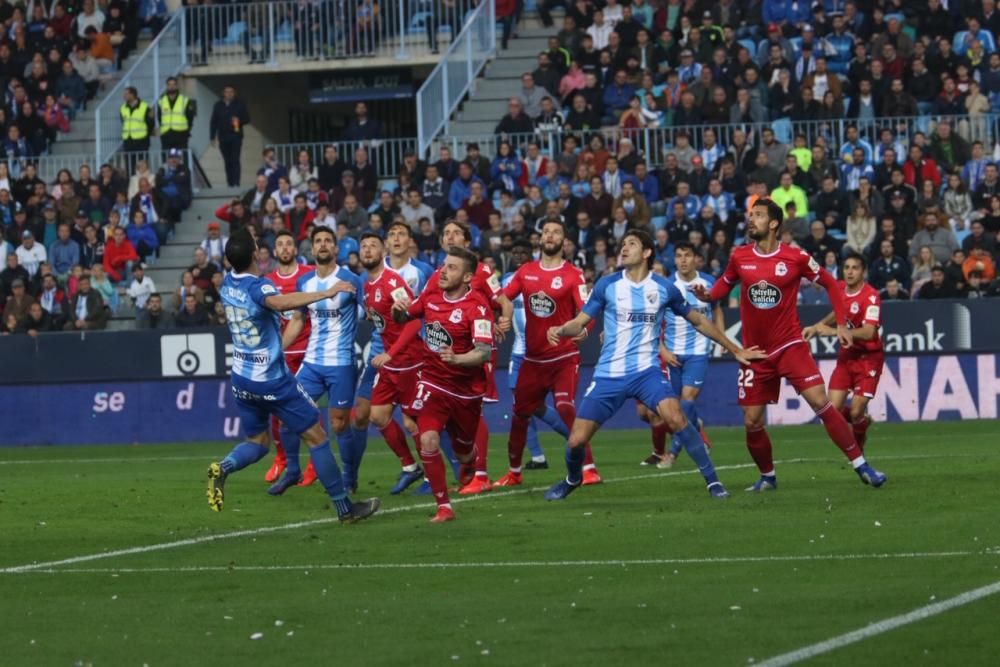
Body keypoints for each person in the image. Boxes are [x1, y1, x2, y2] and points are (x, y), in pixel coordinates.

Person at [692, 198, 888, 491]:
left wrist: (844, 324)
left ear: (773, 223)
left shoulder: (795, 257)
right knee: (752, 421)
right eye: (750, 215)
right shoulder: (739, 256)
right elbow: (723, 285)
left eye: (758, 215)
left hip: (790, 345)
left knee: (822, 403)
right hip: (755, 352)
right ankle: (768, 477)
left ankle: (862, 466)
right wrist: (708, 296)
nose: (751, 220)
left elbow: (832, 284)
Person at [543, 230, 751, 502]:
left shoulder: (664, 288)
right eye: (622, 244)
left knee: (676, 417)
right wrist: (562, 328)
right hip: (609, 374)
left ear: (647, 252)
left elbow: (699, 320)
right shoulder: (607, 285)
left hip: (647, 372)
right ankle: (573, 478)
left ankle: (713, 482)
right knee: (576, 441)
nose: (624, 248)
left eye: (631, 244)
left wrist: (734, 348)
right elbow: (579, 322)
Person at [206, 229, 379, 523]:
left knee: (259, 442)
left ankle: (223, 468)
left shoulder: (227, 284)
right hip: (271, 379)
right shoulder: (257, 287)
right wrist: (326, 292)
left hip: (241, 378)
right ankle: (345, 508)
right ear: (253, 256)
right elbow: (279, 302)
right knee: (318, 437)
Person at [390, 247, 495, 522]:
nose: (443, 272)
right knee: (428, 438)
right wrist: (397, 310)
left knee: (462, 454)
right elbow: (406, 316)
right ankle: (444, 507)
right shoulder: (431, 293)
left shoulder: (478, 306)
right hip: (433, 381)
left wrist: (459, 358)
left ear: (468, 276)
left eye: (451, 268)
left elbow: (484, 351)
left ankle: (469, 457)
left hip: (466, 390)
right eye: (443, 265)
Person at [495, 221, 600, 488]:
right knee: (519, 415)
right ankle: (514, 472)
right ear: (540, 239)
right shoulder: (525, 272)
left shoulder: (573, 274)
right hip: (532, 360)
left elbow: (587, 312)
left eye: (556, 232)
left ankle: (589, 468)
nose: (550, 236)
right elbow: (502, 297)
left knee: (565, 406)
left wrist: (584, 329)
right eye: (546, 232)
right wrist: (503, 316)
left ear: (564, 241)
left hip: (564, 357)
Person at [280, 226, 366, 492]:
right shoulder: (304, 283)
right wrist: (278, 350)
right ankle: (292, 470)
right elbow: (297, 320)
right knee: (286, 415)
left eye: (328, 240)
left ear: (336, 248)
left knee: (339, 424)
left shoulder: (352, 279)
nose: (323, 245)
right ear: (312, 248)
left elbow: (371, 313)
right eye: (318, 241)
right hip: (312, 363)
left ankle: (350, 476)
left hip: (341, 364)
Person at [354, 232, 426, 495]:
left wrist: (391, 353)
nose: (368, 250)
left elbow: (415, 321)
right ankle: (410, 467)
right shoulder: (368, 285)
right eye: (364, 247)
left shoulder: (392, 282)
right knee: (377, 415)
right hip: (392, 365)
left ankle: (431, 476)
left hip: (410, 362)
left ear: (383, 250)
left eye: (373, 245)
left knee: (412, 423)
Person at [646, 241, 724, 468]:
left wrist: (720, 338)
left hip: (699, 352)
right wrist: (663, 351)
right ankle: (696, 427)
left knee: (687, 402)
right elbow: (653, 321)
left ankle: (672, 453)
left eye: (687, 255)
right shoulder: (666, 285)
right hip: (673, 354)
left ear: (696, 258)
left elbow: (717, 309)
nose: (682, 260)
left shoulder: (708, 282)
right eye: (678, 255)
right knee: (676, 409)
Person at [803, 253, 883, 450]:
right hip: (847, 357)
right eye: (846, 267)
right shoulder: (839, 289)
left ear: (863, 272)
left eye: (855, 268)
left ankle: (858, 449)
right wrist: (816, 326)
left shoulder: (871, 296)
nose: (849, 271)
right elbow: (838, 312)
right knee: (832, 411)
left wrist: (834, 331)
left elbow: (869, 332)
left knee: (855, 412)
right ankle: (863, 421)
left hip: (869, 358)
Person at [260, 230, 318, 488]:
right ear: (274, 252)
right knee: (275, 409)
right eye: (280, 244)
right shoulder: (267, 281)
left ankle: (314, 463)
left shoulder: (309, 275)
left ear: (295, 249)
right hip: (280, 354)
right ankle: (282, 459)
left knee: (308, 408)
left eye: (288, 244)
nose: (284, 248)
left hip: (306, 351)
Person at [210, 85, 251, 188]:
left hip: (235, 136)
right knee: (227, 161)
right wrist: (212, 136)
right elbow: (213, 121)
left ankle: (236, 183)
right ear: (223, 93)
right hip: (223, 137)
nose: (229, 94)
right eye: (227, 92)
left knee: (235, 159)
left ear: (234, 93)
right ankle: (230, 183)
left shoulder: (240, 104)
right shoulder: (218, 105)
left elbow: (247, 119)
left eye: (231, 92)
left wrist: (239, 121)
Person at [157, 76, 195, 154]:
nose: (171, 87)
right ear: (167, 86)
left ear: (177, 86)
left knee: (182, 158)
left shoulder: (184, 100)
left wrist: (187, 129)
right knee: (166, 158)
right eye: (169, 85)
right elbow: (159, 117)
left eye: (173, 85)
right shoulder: (161, 101)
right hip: (166, 135)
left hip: (181, 135)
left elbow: (190, 117)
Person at [120, 86, 154, 171]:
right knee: (129, 166)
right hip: (128, 140)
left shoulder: (145, 107)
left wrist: (146, 135)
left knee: (142, 165)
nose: (124, 96)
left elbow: (151, 123)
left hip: (141, 141)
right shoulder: (123, 108)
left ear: (133, 95)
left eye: (126, 94)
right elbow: (123, 122)